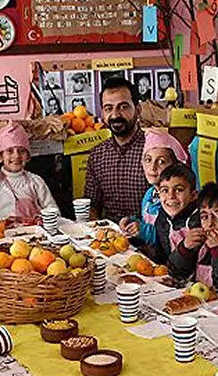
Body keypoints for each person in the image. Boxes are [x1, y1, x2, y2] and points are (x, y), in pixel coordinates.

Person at [84, 77, 148, 222]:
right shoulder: (97, 155)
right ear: (102, 113)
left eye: (123, 107)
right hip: (111, 239)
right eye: (108, 108)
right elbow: (91, 204)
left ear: (138, 110)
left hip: (150, 239)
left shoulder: (154, 150)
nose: (115, 115)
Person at [169, 181, 218, 295]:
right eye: (204, 216)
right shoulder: (201, 245)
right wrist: (185, 248)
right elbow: (175, 275)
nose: (210, 223)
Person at [120, 128, 185, 255]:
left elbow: (169, 237)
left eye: (161, 162)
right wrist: (133, 223)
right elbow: (147, 223)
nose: (152, 167)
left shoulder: (175, 199)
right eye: (148, 160)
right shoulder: (150, 194)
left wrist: (142, 231)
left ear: (175, 165)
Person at [0, 121, 56, 222]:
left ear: (28, 156)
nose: (16, 156)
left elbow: (52, 211)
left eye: (21, 151)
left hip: (36, 234)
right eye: (10, 151)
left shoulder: (36, 181)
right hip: (4, 236)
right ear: (0, 156)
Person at [136, 162, 197, 268]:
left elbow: (190, 269)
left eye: (179, 190)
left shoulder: (198, 223)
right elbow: (160, 256)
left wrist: (185, 247)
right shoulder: (162, 217)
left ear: (193, 196)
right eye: (165, 190)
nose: (171, 196)